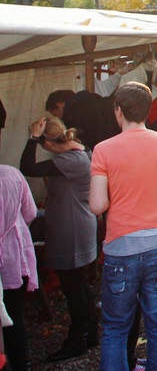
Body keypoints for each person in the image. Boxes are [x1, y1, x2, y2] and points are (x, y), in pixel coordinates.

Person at [89, 82, 157, 371]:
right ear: (148, 111)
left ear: (118, 111)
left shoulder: (103, 150)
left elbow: (97, 205)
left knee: (116, 327)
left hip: (121, 245)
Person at [20, 116, 98, 362]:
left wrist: (32, 139)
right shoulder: (79, 150)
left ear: (48, 143)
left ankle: (77, 339)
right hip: (78, 224)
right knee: (79, 284)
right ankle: (90, 332)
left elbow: (28, 168)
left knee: (73, 286)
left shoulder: (70, 161)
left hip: (71, 229)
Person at [0, 163, 37, 371]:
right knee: (14, 314)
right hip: (16, 253)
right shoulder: (12, 173)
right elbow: (30, 212)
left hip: (9, 256)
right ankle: (21, 363)